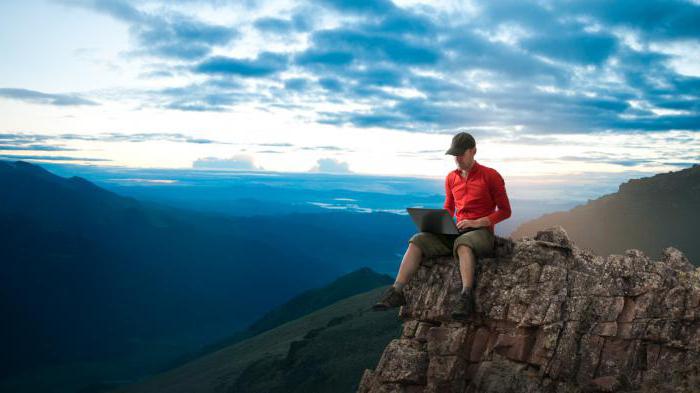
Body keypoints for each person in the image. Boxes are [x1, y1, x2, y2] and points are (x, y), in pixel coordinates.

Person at [372, 131, 512, 320]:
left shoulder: (491, 176)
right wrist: (437, 223)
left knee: (463, 244)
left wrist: (478, 222)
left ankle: (466, 296)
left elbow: (505, 211)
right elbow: (449, 207)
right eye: (455, 155)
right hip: (457, 230)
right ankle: (396, 291)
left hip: (481, 232)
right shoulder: (451, 178)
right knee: (417, 240)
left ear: (474, 151)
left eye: (461, 154)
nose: (457, 159)